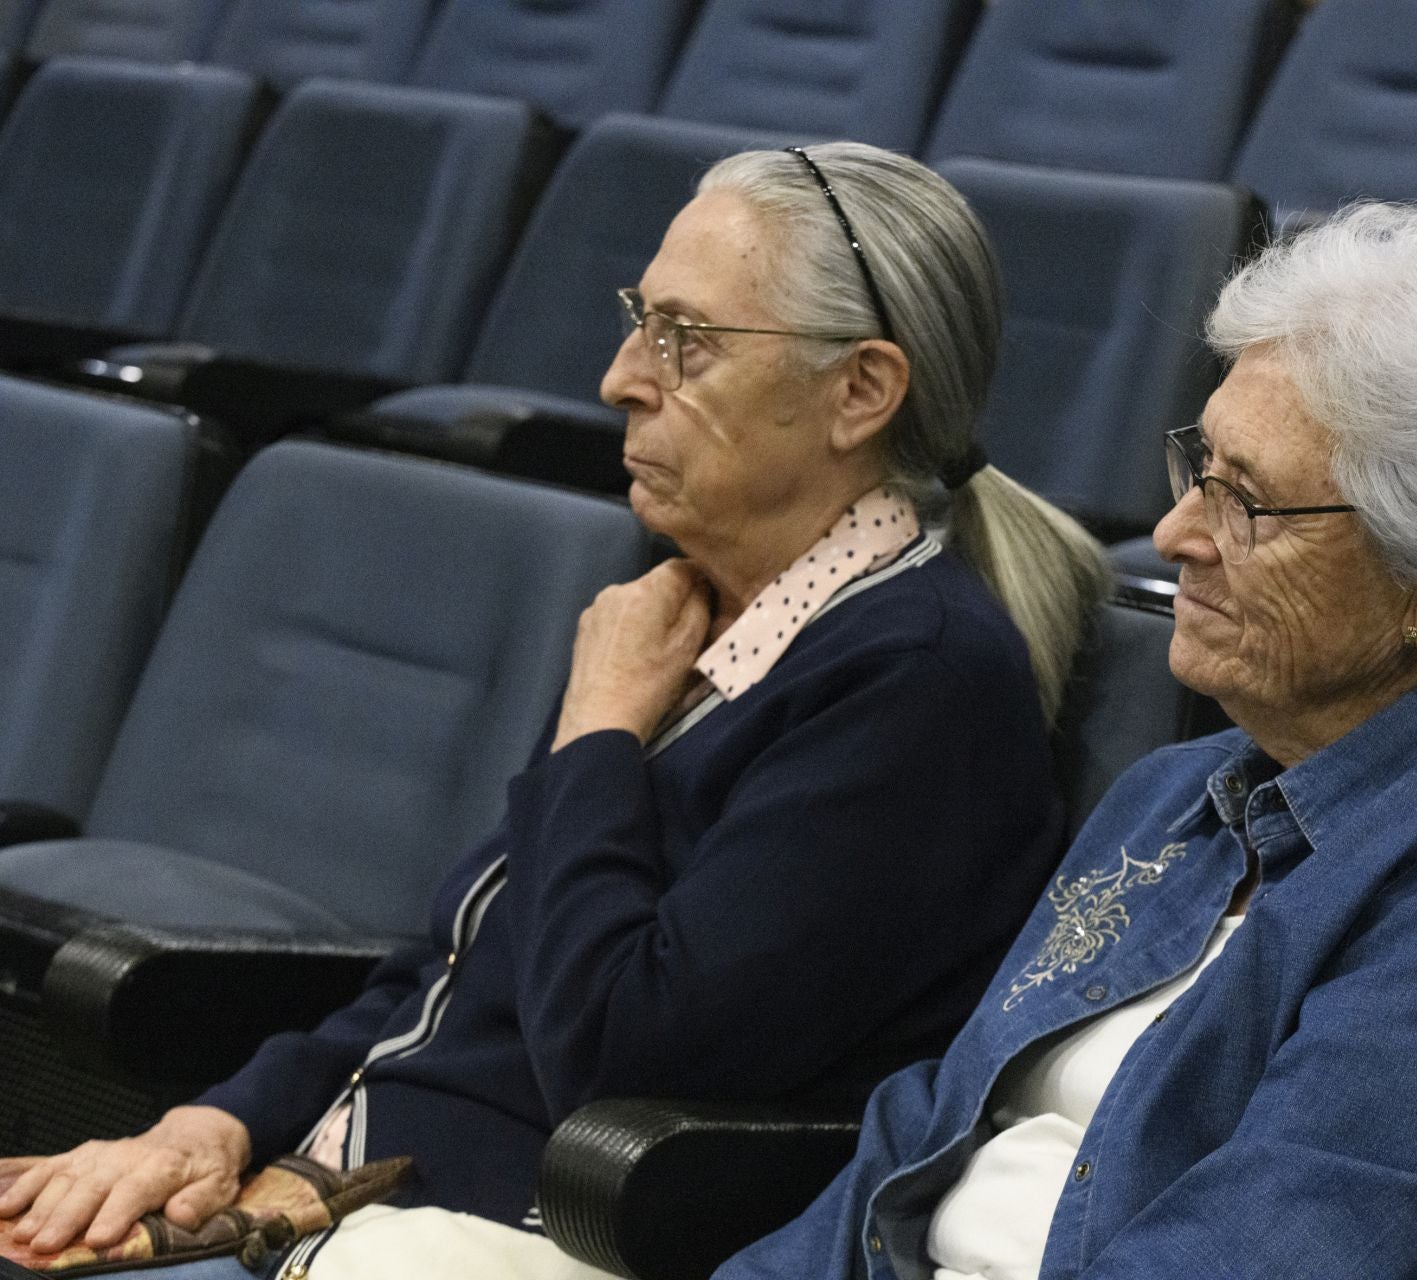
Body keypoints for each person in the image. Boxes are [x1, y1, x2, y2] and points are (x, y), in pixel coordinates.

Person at [0, 143, 1110, 1278]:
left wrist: (596, 734)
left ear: (862, 390)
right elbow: (457, 960)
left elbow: (620, 1057)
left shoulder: (916, 682)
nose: (623, 375)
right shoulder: (689, 612)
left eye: (687, 338)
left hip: (519, 1231)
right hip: (361, 1187)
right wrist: (219, 1123)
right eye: (641, 319)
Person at [718, 202, 1417, 1280]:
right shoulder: (1175, 792)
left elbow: (1253, 1255)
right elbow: (923, 1135)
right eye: (1198, 465)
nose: (1175, 536)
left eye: (1247, 502)